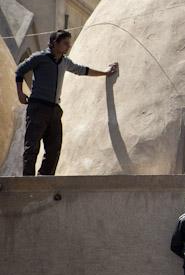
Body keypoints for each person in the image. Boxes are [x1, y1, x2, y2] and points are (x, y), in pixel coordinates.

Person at [14, 29, 118, 176]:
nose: (68, 46)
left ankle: (44, 177)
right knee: (32, 145)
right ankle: (28, 180)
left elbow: (82, 70)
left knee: (54, 147)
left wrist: (105, 72)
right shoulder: (39, 58)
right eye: (65, 43)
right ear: (54, 43)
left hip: (55, 109)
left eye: (69, 43)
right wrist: (20, 93)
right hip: (38, 106)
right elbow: (19, 71)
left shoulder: (65, 62)